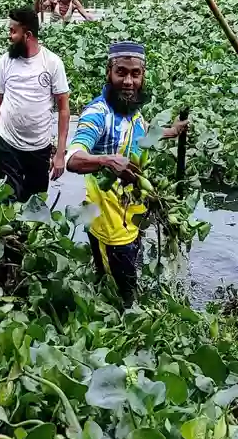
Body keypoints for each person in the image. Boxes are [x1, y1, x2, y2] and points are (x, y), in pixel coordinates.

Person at [66, 42, 189, 307]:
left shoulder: (131, 110)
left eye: (135, 74)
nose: (129, 81)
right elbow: (73, 158)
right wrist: (105, 161)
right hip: (108, 226)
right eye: (121, 73)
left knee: (122, 280)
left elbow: (144, 133)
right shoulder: (98, 114)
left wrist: (173, 131)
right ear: (109, 73)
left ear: (143, 76)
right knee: (123, 295)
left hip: (130, 216)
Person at [0, 7, 70, 202]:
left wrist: (59, 154)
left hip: (39, 147)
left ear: (28, 35)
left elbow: (64, 110)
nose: (9, 36)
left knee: (35, 203)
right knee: (7, 201)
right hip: (8, 143)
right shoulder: (6, 61)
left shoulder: (52, 63)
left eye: (13, 31)